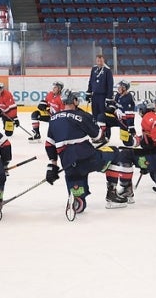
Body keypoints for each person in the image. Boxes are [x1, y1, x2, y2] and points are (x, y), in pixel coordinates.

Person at [44, 90, 115, 219]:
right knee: (115, 154)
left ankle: (76, 202)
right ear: (75, 101)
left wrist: (52, 166)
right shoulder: (82, 115)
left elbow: (49, 144)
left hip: (68, 164)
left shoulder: (53, 119)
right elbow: (98, 136)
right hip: (88, 159)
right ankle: (113, 194)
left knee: (78, 191)